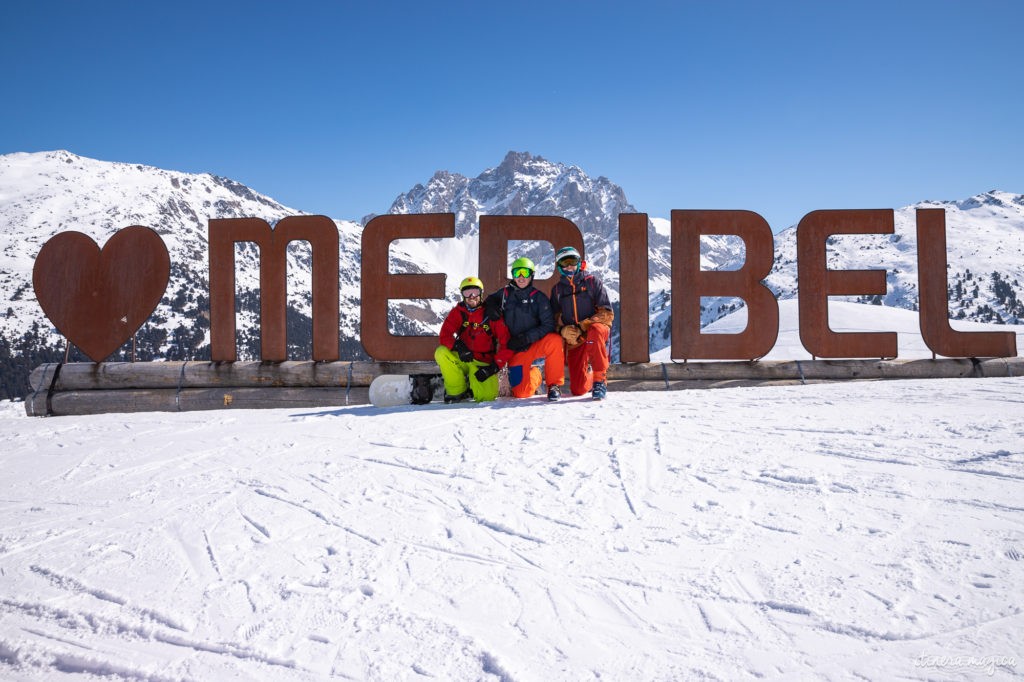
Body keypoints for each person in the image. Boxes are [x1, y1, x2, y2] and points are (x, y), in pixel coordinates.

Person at [483, 257, 565, 401]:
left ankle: (554, 385)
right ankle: (535, 374)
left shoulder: (539, 298)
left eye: (525, 273)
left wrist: (526, 338)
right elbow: (489, 300)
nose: (521, 277)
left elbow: (548, 326)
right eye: (517, 273)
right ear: (512, 275)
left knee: (555, 340)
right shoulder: (505, 294)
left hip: (534, 343)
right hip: (516, 349)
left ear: (531, 275)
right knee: (521, 393)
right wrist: (491, 307)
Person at [550, 246, 614, 400]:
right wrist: (562, 330)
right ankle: (590, 374)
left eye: (572, 261)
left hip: (595, 332)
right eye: (564, 263)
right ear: (559, 267)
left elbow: (607, 314)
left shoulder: (592, 283)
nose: (569, 266)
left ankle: (600, 381)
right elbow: (550, 320)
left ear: (579, 262)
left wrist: (582, 327)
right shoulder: (558, 290)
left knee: (596, 329)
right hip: (575, 339)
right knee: (578, 389)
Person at [435, 277, 510, 403]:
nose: (471, 296)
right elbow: (444, 335)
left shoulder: (491, 314)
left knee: (486, 398)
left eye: (475, 292)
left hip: (483, 362)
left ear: (481, 293)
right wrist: (458, 346)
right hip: (464, 357)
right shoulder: (458, 312)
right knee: (441, 352)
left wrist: (494, 367)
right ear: (462, 295)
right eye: (467, 293)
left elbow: (505, 343)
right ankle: (457, 391)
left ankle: (473, 383)